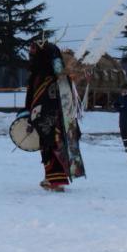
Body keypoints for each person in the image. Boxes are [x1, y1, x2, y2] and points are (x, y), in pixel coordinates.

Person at [23, 40, 85, 191]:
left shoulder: (50, 78)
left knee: (53, 146)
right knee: (50, 147)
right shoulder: (45, 76)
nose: (31, 55)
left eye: (33, 52)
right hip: (53, 120)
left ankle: (56, 182)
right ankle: (51, 178)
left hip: (53, 121)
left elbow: (45, 100)